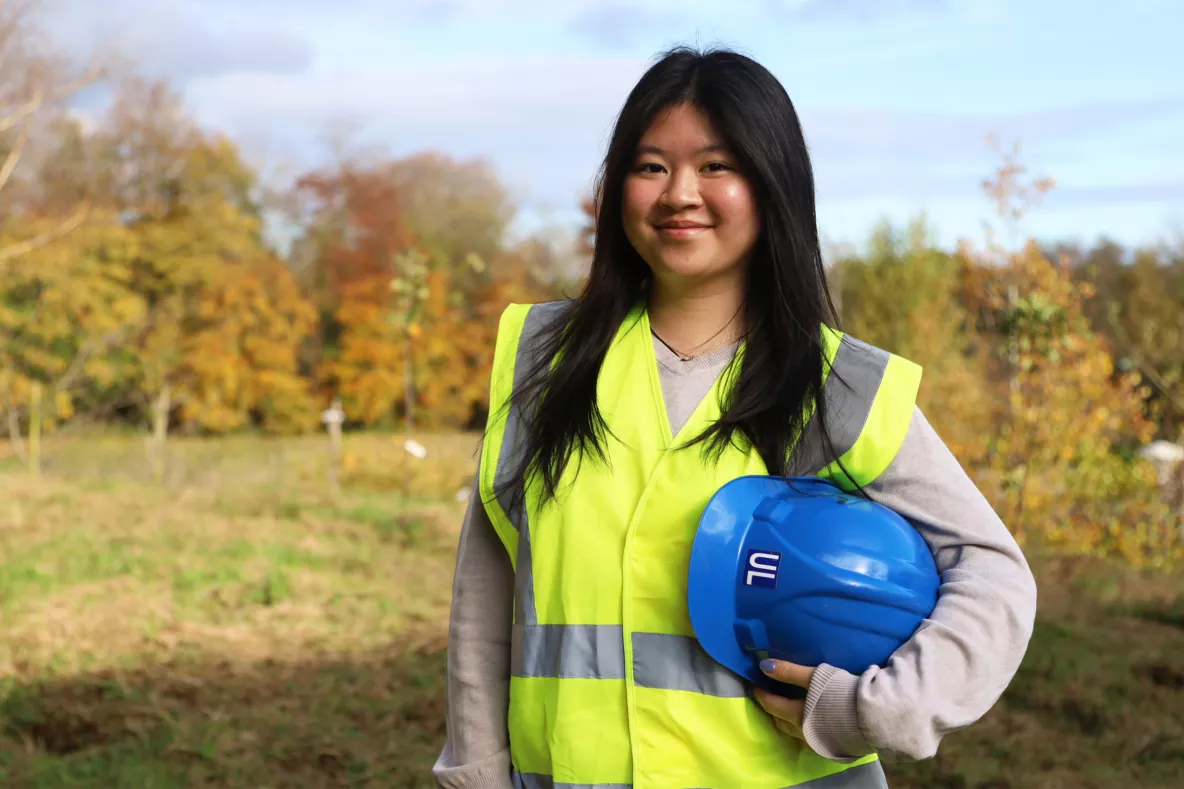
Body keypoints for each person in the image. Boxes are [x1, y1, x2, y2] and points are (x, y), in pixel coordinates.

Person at [433, 46, 1037, 789]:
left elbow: (995, 575)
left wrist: (878, 709)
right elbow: (485, 590)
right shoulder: (543, 360)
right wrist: (478, 771)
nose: (679, 193)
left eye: (717, 166)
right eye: (650, 166)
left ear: (773, 183)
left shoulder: (836, 385)